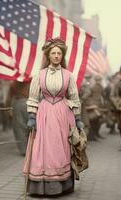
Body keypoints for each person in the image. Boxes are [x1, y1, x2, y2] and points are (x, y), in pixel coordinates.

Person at [23, 37, 84, 196]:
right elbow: (34, 97)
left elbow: (74, 97)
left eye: (59, 53)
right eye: (53, 53)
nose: (56, 56)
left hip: (63, 114)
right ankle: (40, 185)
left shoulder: (69, 75)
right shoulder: (40, 75)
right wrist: (31, 116)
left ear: (62, 56)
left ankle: (62, 184)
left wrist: (77, 118)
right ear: (48, 56)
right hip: (44, 114)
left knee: (61, 148)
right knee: (43, 147)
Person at [5, 80, 31, 156]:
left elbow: (9, 97)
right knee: (31, 125)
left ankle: (23, 150)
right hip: (30, 103)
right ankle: (32, 147)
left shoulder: (13, 82)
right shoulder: (31, 81)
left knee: (19, 127)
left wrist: (8, 108)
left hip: (18, 104)